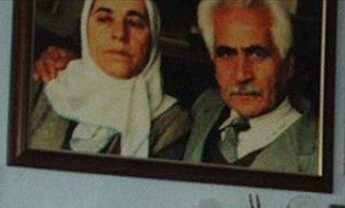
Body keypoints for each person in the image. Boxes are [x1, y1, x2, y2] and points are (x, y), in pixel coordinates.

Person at [29, 0, 190, 158]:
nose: (119, 34)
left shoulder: (172, 125)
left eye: (134, 23)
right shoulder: (43, 82)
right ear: (86, 29)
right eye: (104, 19)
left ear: (152, 36)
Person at [182, 0, 318, 173]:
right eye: (226, 54)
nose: (241, 75)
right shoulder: (204, 107)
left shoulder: (317, 154)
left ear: (289, 65)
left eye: (257, 54)